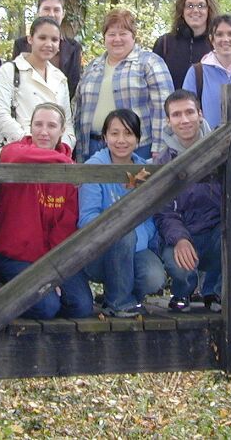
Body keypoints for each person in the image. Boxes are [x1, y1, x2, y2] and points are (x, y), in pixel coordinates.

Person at [0, 103, 93, 319]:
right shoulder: (13, 151)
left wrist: (51, 274)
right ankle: (4, 291)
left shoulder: (69, 172)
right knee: (46, 308)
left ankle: (29, 294)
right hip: (14, 255)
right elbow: (16, 159)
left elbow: (65, 226)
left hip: (53, 256)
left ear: (62, 131)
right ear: (30, 126)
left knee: (81, 307)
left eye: (52, 125)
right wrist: (64, 162)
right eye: (38, 124)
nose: (44, 131)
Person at [79, 109, 166, 317]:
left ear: (137, 139)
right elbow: (87, 218)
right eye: (114, 133)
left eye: (128, 133)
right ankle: (118, 302)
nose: (121, 140)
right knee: (123, 231)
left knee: (154, 277)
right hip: (100, 251)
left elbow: (150, 219)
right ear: (105, 137)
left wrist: (136, 238)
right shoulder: (94, 167)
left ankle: (121, 293)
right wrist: (117, 227)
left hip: (137, 249)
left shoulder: (145, 171)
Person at [154, 90, 224, 312]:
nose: (184, 120)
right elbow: (163, 212)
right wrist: (181, 239)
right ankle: (182, 292)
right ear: (168, 121)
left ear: (200, 114)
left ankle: (214, 291)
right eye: (176, 115)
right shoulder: (163, 161)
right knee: (179, 264)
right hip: (184, 234)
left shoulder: (221, 151)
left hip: (216, 232)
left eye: (189, 112)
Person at [73, 9, 173, 162]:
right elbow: (78, 108)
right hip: (93, 146)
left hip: (139, 149)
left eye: (123, 33)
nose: (117, 39)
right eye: (111, 34)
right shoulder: (93, 66)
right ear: (104, 38)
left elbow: (164, 108)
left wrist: (159, 149)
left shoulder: (149, 63)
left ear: (133, 36)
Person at [0, 16, 75, 150]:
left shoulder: (60, 78)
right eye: (42, 38)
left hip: (52, 156)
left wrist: (64, 148)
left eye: (54, 40)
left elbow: (67, 123)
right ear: (30, 39)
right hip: (17, 150)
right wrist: (30, 142)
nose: (49, 44)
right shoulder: (10, 70)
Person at [181, 14, 231, 128]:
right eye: (219, 34)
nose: (225, 39)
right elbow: (186, 110)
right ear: (211, 39)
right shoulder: (197, 72)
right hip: (209, 142)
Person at [12, 0, 83, 99]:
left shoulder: (74, 48)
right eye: (46, 9)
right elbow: (15, 77)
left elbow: (73, 83)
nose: (51, 14)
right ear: (38, 13)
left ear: (63, 14)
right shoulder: (21, 44)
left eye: (56, 10)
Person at [153, 0, 220, 89]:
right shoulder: (164, 43)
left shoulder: (217, 45)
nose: (195, 10)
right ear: (182, 11)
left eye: (201, 6)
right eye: (190, 6)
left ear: (209, 10)